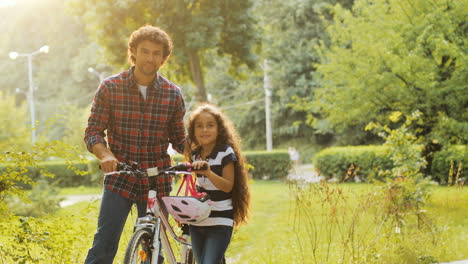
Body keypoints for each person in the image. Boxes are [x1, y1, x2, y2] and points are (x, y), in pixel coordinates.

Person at [83, 25, 186, 264]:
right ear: (133, 52)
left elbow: (179, 139)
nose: (150, 57)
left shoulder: (173, 94)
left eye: (156, 53)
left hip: (156, 178)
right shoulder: (110, 87)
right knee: (104, 243)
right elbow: (93, 132)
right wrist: (106, 155)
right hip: (121, 175)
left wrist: (202, 155)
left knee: (154, 247)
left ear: (163, 58)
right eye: (145, 51)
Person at [184, 103, 250, 264]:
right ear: (193, 131)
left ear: (219, 129)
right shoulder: (195, 154)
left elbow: (228, 186)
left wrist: (208, 172)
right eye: (199, 126)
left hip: (220, 220)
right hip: (198, 219)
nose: (204, 130)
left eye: (210, 125)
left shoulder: (225, 152)